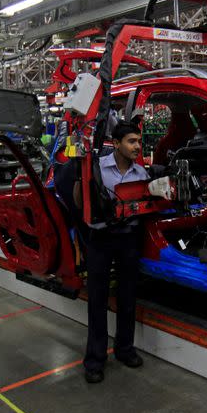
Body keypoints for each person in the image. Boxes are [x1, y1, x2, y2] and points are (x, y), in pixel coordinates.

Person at [83, 120, 149, 384]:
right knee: (97, 300)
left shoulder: (141, 173)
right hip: (100, 238)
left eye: (139, 142)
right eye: (132, 141)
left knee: (127, 296)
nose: (137, 146)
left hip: (128, 239)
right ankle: (95, 360)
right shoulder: (97, 168)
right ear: (117, 143)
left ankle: (124, 349)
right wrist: (81, 179)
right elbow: (80, 201)